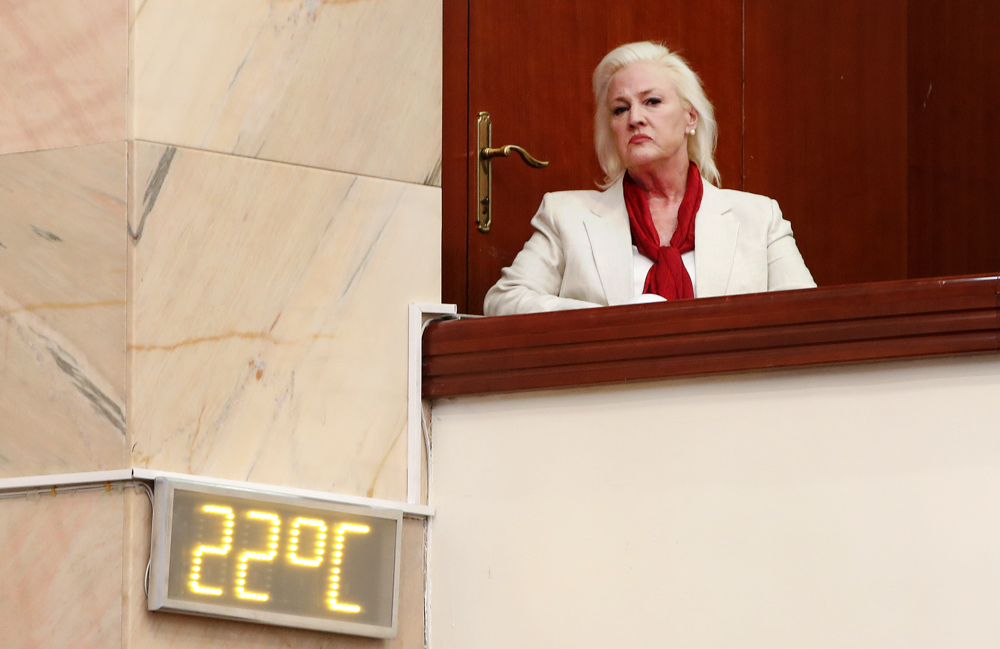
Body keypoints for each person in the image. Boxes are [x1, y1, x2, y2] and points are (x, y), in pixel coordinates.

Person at [483, 41, 815, 316]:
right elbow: (504, 300)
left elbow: (806, 313)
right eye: (620, 109)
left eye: (652, 101)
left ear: (690, 117)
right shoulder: (565, 216)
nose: (635, 118)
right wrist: (612, 320)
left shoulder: (759, 218)